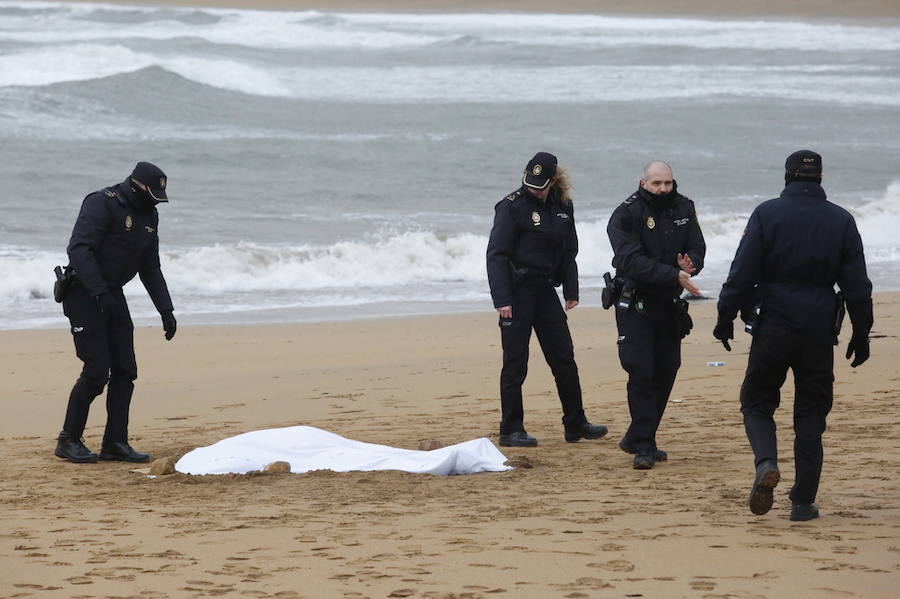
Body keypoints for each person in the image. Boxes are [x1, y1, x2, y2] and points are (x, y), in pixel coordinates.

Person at [714, 150, 873, 521]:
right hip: (819, 329)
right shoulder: (842, 220)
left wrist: (724, 317)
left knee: (756, 402)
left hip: (774, 325)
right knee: (811, 411)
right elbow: (857, 287)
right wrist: (861, 332)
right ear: (820, 179)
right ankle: (802, 501)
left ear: (786, 177)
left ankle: (766, 461)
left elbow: (741, 274)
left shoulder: (767, 214)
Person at [55, 162, 177, 464]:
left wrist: (166, 309)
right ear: (135, 186)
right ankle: (68, 440)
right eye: (152, 194)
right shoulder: (101, 203)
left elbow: (150, 267)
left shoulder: (150, 215)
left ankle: (115, 443)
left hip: (112, 294)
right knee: (96, 372)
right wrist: (98, 292)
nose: (155, 201)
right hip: (85, 291)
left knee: (125, 370)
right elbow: (79, 250)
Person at [486, 151, 608, 447]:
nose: (534, 188)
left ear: (553, 181)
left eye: (541, 184)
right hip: (516, 293)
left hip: (545, 292)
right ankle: (511, 429)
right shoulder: (510, 207)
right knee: (516, 363)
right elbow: (496, 255)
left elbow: (569, 252)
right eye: (530, 182)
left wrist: (571, 291)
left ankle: (575, 423)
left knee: (563, 357)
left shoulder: (563, 207)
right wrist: (502, 299)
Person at [606, 161, 706, 469]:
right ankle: (644, 447)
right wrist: (673, 274)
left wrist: (692, 263)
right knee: (641, 370)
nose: (663, 189)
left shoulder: (684, 207)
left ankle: (638, 435)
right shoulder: (625, 215)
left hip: (669, 303)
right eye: (656, 184)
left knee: (667, 368)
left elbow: (697, 245)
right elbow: (631, 261)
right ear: (643, 183)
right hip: (636, 301)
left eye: (667, 183)